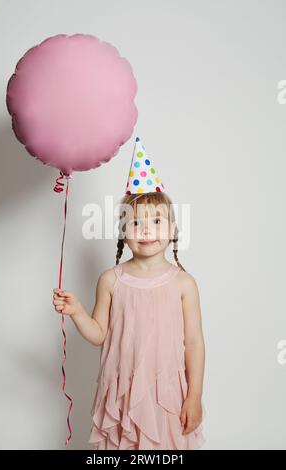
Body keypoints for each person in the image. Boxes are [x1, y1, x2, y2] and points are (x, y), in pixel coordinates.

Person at [52, 137, 206, 450]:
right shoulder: (110, 280)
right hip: (120, 395)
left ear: (172, 229)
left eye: (156, 221)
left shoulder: (184, 284)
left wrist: (195, 396)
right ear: (124, 231)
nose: (146, 230)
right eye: (135, 222)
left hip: (167, 399)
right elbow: (99, 335)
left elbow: (194, 344)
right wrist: (78, 311)